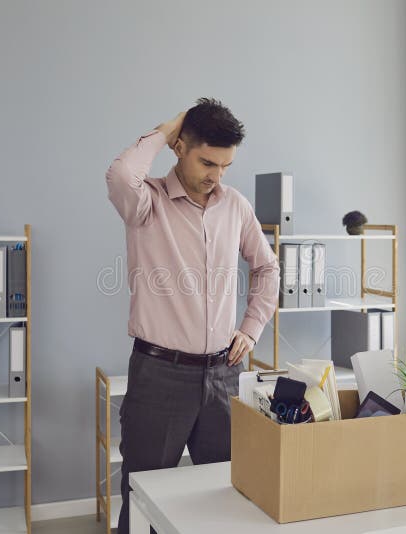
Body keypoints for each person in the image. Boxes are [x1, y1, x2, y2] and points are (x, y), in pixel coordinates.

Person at [105, 98, 280, 532]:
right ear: (180, 148)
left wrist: (251, 329)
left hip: (222, 376)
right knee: (142, 497)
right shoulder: (147, 202)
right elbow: (120, 174)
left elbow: (267, 267)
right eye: (207, 162)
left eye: (225, 166)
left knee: (227, 496)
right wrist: (168, 128)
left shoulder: (235, 206)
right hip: (159, 376)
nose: (215, 176)